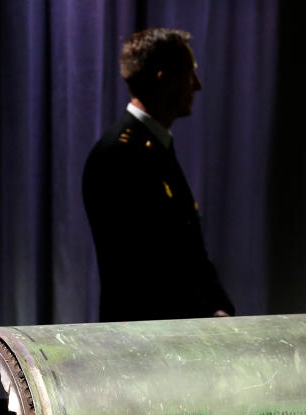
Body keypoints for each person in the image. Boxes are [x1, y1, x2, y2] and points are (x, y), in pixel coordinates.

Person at [82, 28, 234, 322]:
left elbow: (190, 251)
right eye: (191, 74)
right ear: (165, 80)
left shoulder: (154, 146)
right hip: (147, 340)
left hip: (178, 331)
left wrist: (220, 307)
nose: (198, 86)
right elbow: (140, 267)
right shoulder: (118, 154)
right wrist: (207, 312)